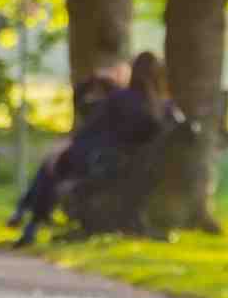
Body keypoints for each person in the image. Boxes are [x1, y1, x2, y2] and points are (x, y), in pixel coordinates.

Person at [13, 52, 171, 246]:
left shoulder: (121, 99)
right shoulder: (161, 106)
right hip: (128, 167)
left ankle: (30, 222)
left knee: (51, 166)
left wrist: (67, 146)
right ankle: (26, 212)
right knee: (55, 163)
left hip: (100, 163)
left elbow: (91, 128)